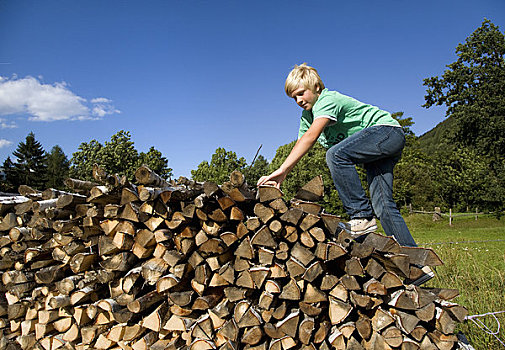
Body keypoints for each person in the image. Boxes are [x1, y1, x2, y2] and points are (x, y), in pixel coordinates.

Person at [257, 63, 433, 285]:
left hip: (387, 132)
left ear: (317, 86)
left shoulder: (327, 100)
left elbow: (312, 136)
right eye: (294, 98)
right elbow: (302, 142)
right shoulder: (306, 116)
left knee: (336, 155)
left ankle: (361, 217)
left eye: (301, 93)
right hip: (378, 147)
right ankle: (417, 265)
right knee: (383, 205)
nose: (299, 100)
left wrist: (282, 170)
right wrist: (283, 174)